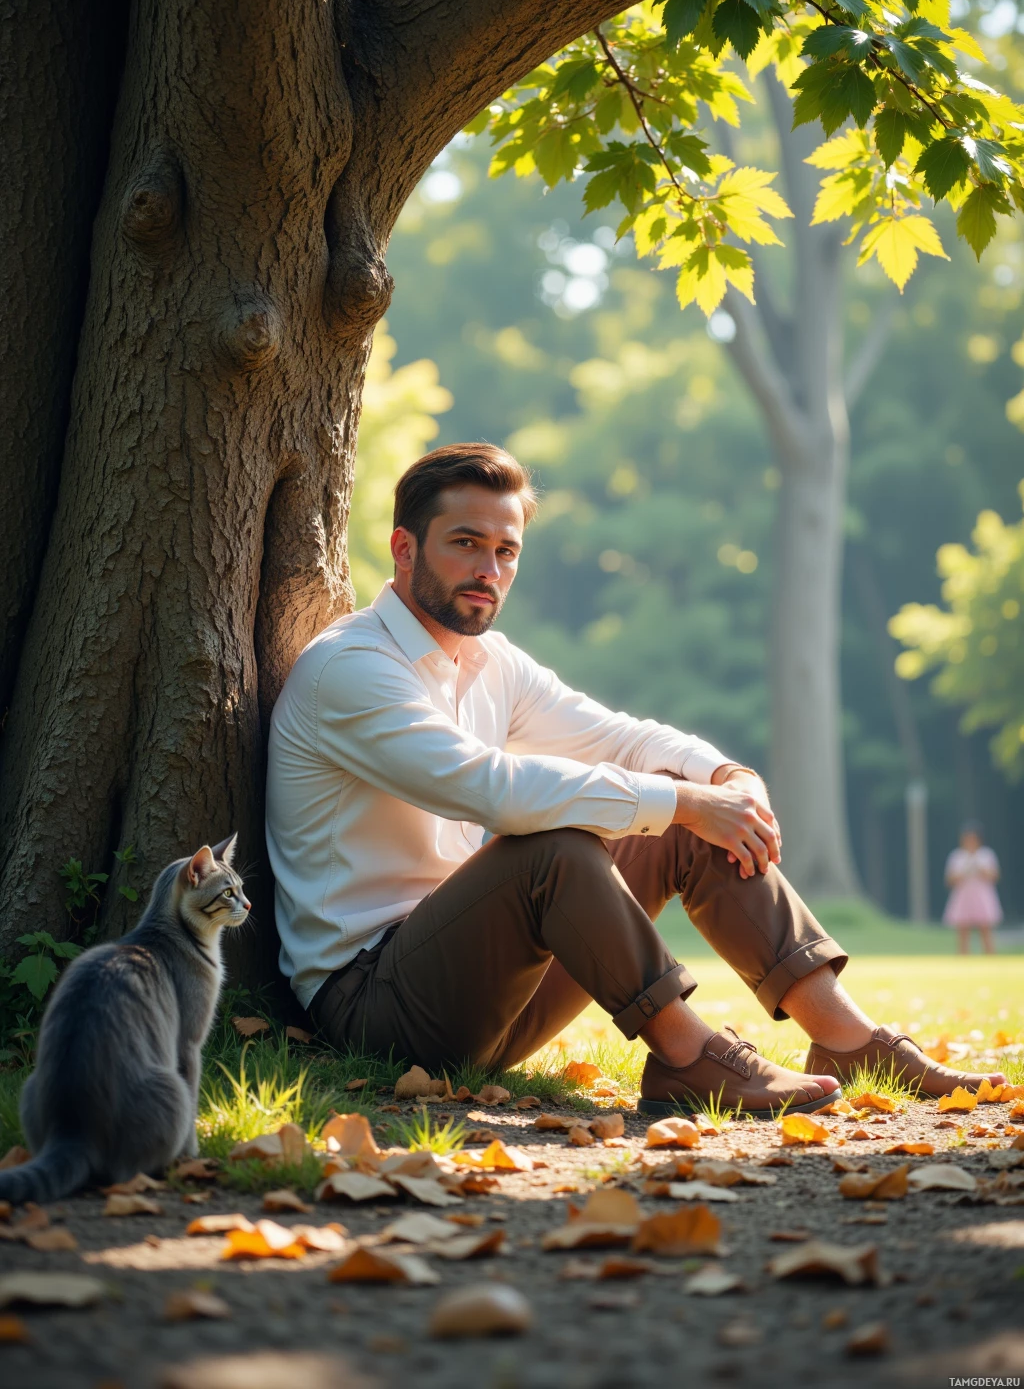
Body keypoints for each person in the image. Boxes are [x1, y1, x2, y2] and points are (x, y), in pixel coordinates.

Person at [266, 444, 1003, 1115]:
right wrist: (685, 800)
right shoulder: (353, 669)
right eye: (465, 545)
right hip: (375, 1007)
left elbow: (618, 736)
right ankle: (690, 1058)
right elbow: (491, 788)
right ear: (404, 547)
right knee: (554, 846)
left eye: (506, 551)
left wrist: (723, 777)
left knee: (685, 822)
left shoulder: (490, 663)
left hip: (491, 994)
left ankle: (848, 1037)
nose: (489, 572)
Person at [943, 822, 1002, 956]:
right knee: (963, 932)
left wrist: (979, 868)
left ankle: (991, 960)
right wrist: (965, 870)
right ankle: (963, 959)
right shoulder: (957, 856)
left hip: (982, 896)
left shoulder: (986, 854)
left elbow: (994, 875)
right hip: (964, 896)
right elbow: (950, 879)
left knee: (985, 930)